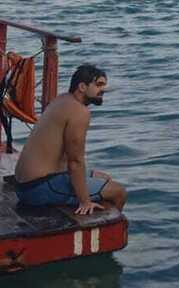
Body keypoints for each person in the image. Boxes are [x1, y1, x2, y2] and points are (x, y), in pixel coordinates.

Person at [14, 64, 128, 214]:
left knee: (103, 177)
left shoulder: (62, 100)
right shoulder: (79, 112)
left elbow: (67, 159)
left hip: (24, 185)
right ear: (82, 87)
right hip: (38, 189)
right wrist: (85, 201)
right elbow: (75, 162)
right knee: (119, 192)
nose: (103, 90)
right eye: (99, 85)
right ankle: (113, 232)